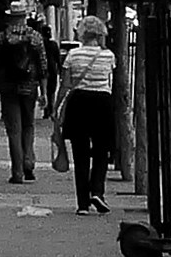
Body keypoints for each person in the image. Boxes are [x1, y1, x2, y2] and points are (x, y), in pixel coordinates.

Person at [50, 14, 119, 217]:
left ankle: (82, 203)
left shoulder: (73, 55)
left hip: (79, 103)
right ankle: (97, 191)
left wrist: (56, 108)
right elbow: (109, 81)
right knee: (101, 150)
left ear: (82, 33)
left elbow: (65, 85)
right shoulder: (109, 56)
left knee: (80, 153)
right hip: (103, 103)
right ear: (100, 34)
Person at [0, 0, 52, 187]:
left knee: (13, 130)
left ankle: (17, 172)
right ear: (24, 17)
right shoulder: (35, 37)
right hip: (29, 87)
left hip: (7, 87)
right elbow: (43, 66)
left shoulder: (2, 38)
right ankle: (29, 162)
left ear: (10, 18)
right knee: (28, 126)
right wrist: (43, 93)